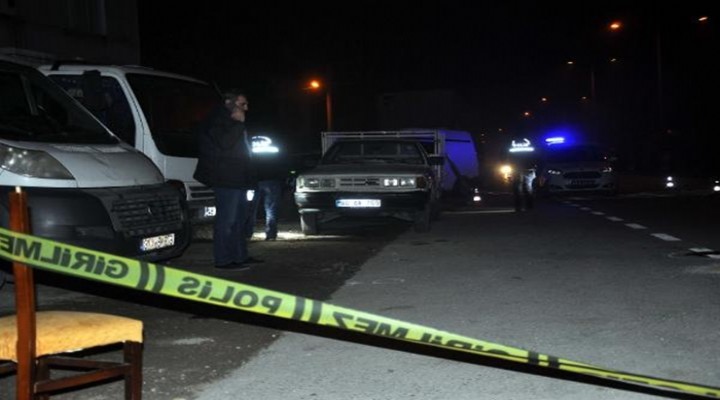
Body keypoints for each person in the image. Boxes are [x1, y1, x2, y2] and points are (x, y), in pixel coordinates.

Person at [194, 90, 262, 269]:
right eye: (242, 104)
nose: (246, 108)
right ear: (229, 103)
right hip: (226, 179)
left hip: (239, 179)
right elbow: (225, 143)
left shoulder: (232, 121)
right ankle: (223, 259)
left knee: (239, 220)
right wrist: (238, 124)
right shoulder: (216, 120)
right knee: (227, 220)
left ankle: (240, 256)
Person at [245, 134, 289, 241]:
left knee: (250, 208)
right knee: (271, 209)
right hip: (272, 181)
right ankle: (271, 234)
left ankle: (247, 233)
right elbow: (282, 164)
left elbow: (245, 166)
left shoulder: (249, 150)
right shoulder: (274, 149)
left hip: (253, 182)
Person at [507, 138, 539, 212]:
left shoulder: (512, 142)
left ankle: (519, 208)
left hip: (517, 169)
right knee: (527, 189)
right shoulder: (531, 141)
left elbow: (507, 157)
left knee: (518, 189)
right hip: (528, 169)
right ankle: (529, 207)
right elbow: (537, 156)